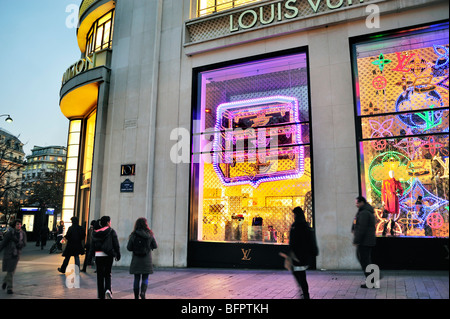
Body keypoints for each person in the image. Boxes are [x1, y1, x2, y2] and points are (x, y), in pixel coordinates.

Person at [281, 207, 318, 299]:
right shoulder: (306, 226)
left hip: (297, 255)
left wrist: (290, 253)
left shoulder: (295, 226)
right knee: (302, 274)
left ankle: (304, 292)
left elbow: (292, 242)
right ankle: (305, 293)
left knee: (299, 274)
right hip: (304, 255)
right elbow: (311, 240)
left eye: (294, 214)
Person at [127, 217, 158, 299]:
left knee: (136, 278)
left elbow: (129, 248)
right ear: (146, 224)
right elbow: (155, 246)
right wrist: (148, 247)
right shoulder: (150, 234)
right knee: (145, 278)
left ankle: (136, 296)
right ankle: (143, 292)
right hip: (146, 260)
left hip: (136, 260)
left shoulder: (133, 235)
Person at [90, 216, 121, 299]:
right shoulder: (111, 231)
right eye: (110, 221)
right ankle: (108, 290)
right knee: (108, 274)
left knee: (99, 276)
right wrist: (117, 254)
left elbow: (92, 246)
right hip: (108, 255)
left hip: (98, 256)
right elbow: (116, 244)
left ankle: (100, 295)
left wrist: (90, 256)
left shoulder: (95, 232)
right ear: (108, 222)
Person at [352, 196, 376, 288]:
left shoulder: (364, 212)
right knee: (365, 260)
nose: (356, 205)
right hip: (367, 240)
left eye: (357, 203)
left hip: (364, 241)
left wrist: (356, 240)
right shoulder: (365, 211)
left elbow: (361, 228)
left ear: (362, 202)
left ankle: (372, 280)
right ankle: (372, 279)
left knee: (364, 261)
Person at [0, 219, 27, 294]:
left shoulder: (23, 233)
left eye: (20, 224)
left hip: (16, 255)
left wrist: (20, 244)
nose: (19, 226)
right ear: (14, 225)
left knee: (11, 271)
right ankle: (9, 288)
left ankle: (5, 281)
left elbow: (24, 243)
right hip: (9, 254)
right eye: (17, 224)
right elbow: (3, 243)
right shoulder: (9, 233)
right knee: (10, 271)